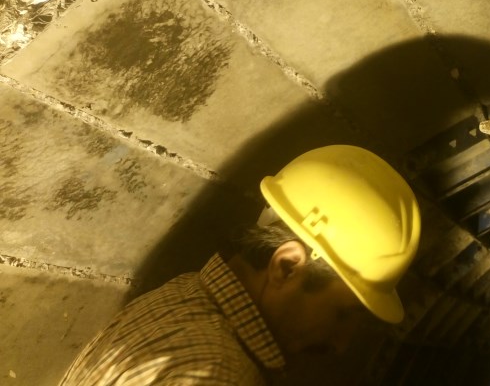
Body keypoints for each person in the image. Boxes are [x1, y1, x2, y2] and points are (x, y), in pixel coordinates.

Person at [60, 145, 421, 385]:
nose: (342, 344)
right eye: (342, 314)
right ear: (286, 267)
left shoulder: (184, 297)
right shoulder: (221, 374)